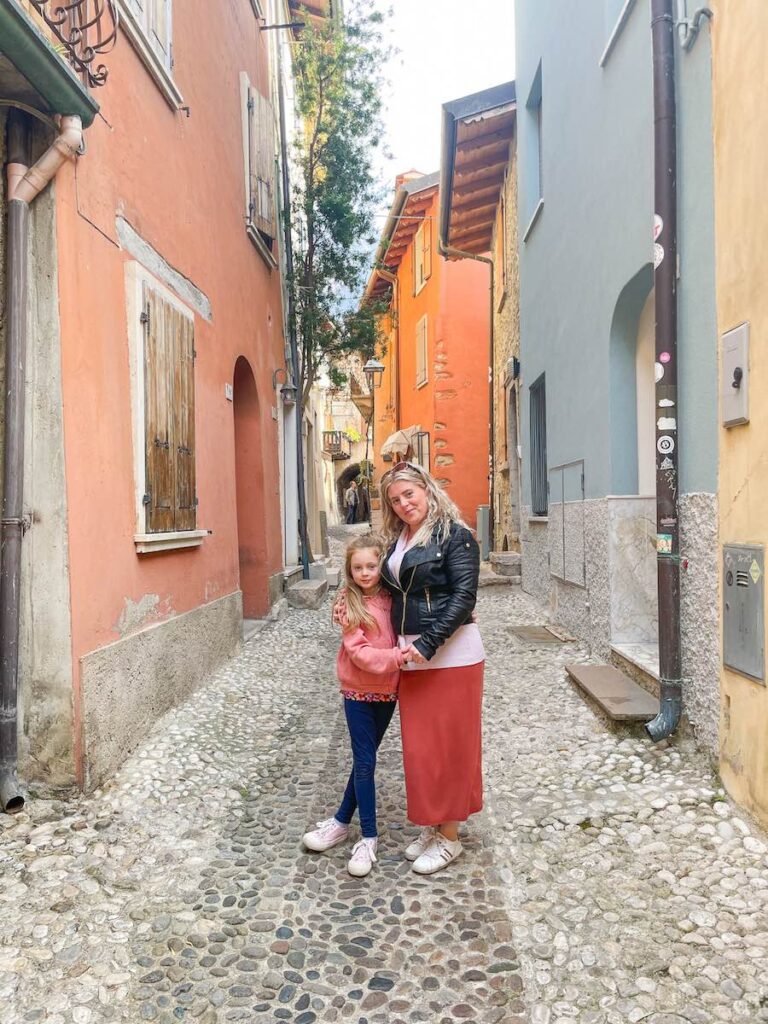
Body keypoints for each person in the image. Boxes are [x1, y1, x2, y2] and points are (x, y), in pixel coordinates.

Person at [379, 461, 484, 875]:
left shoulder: (454, 535)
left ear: (426, 489)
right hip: (412, 658)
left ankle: (451, 836)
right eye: (395, 499)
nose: (404, 503)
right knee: (423, 750)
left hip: (452, 656)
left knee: (453, 746)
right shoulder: (399, 538)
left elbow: (464, 598)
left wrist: (427, 643)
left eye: (409, 494)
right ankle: (434, 825)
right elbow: (385, 588)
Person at [302, 533, 410, 877]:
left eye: (371, 566)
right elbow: (359, 654)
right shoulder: (349, 604)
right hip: (358, 692)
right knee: (364, 762)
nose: (365, 573)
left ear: (382, 566)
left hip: (387, 692)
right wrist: (398, 657)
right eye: (358, 567)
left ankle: (339, 821)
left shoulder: (394, 598)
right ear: (350, 571)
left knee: (366, 760)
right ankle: (369, 836)